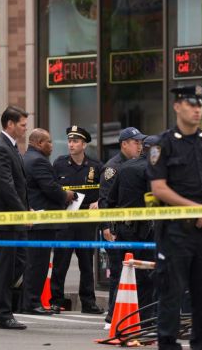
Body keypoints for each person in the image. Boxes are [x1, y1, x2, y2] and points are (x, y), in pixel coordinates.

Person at [147, 85, 202, 350]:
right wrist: (195, 209)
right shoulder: (163, 144)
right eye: (191, 104)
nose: (197, 109)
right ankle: (168, 343)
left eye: (199, 104)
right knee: (171, 292)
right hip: (175, 232)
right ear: (177, 106)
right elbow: (158, 187)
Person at [104, 135, 161, 325]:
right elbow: (152, 203)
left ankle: (115, 316)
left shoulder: (125, 167)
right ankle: (145, 320)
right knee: (146, 276)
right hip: (145, 231)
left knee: (123, 274)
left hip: (123, 230)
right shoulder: (151, 170)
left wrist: (111, 225)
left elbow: (111, 200)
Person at [0, 105, 29, 330]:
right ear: (10, 124)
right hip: (5, 217)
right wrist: (21, 212)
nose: (25, 129)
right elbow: (6, 186)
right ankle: (3, 313)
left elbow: (18, 185)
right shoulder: (0, 147)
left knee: (18, 260)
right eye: (22, 125)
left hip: (14, 216)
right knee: (5, 265)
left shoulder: (11, 146)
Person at [50, 125, 105, 314]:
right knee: (60, 262)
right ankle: (56, 300)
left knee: (86, 264)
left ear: (84, 144)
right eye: (70, 141)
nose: (71, 145)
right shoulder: (59, 163)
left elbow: (105, 190)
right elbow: (52, 188)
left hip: (85, 221)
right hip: (65, 220)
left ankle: (88, 302)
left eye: (75, 141)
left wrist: (99, 201)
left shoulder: (95, 166)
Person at [20, 128, 74, 315]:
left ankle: (27, 301)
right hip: (42, 221)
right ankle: (33, 302)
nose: (52, 145)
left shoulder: (27, 158)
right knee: (38, 264)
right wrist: (67, 195)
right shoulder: (38, 161)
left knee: (32, 263)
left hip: (35, 221)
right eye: (49, 142)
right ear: (39, 143)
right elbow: (50, 188)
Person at [99, 127, 146, 318]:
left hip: (135, 228)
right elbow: (105, 200)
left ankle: (127, 313)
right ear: (124, 144)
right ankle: (113, 315)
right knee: (118, 271)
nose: (140, 147)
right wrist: (106, 226)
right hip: (118, 227)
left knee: (133, 271)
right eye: (136, 143)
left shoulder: (136, 164)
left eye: (141, 143)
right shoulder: (113, 167)